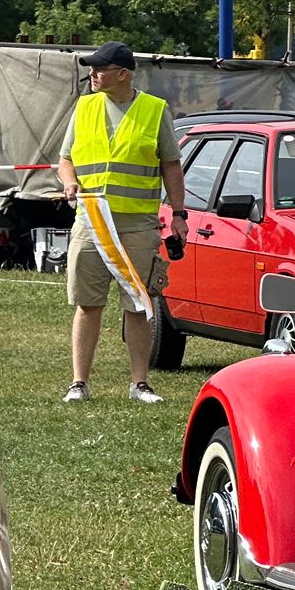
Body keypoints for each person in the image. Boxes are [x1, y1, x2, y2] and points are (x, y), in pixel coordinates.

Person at [57, 41, 186, 404]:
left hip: (138, 225)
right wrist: (69, 182)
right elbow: (65, 159)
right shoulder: (84, 106)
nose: (93, 74)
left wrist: (179, 215)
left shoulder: (155, 110)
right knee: (88, 303)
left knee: (138, 303)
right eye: (92, 68)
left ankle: (140, 384)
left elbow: (171, 165)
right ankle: (79, 383)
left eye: (100, 69)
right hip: (91, 222)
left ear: (123, 74)